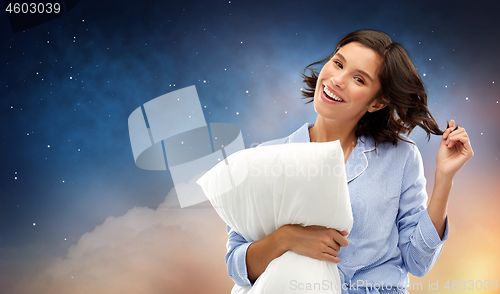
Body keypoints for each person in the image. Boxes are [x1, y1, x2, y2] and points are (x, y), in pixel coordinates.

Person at [225, 30, 473, 293]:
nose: (337, 80)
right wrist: (286, 237)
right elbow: (238, 267)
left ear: (377, 103)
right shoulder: (264, 158)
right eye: (338, 63)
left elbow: (417, 261)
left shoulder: (400, 157)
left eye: (358, 79)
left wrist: (444, 178)